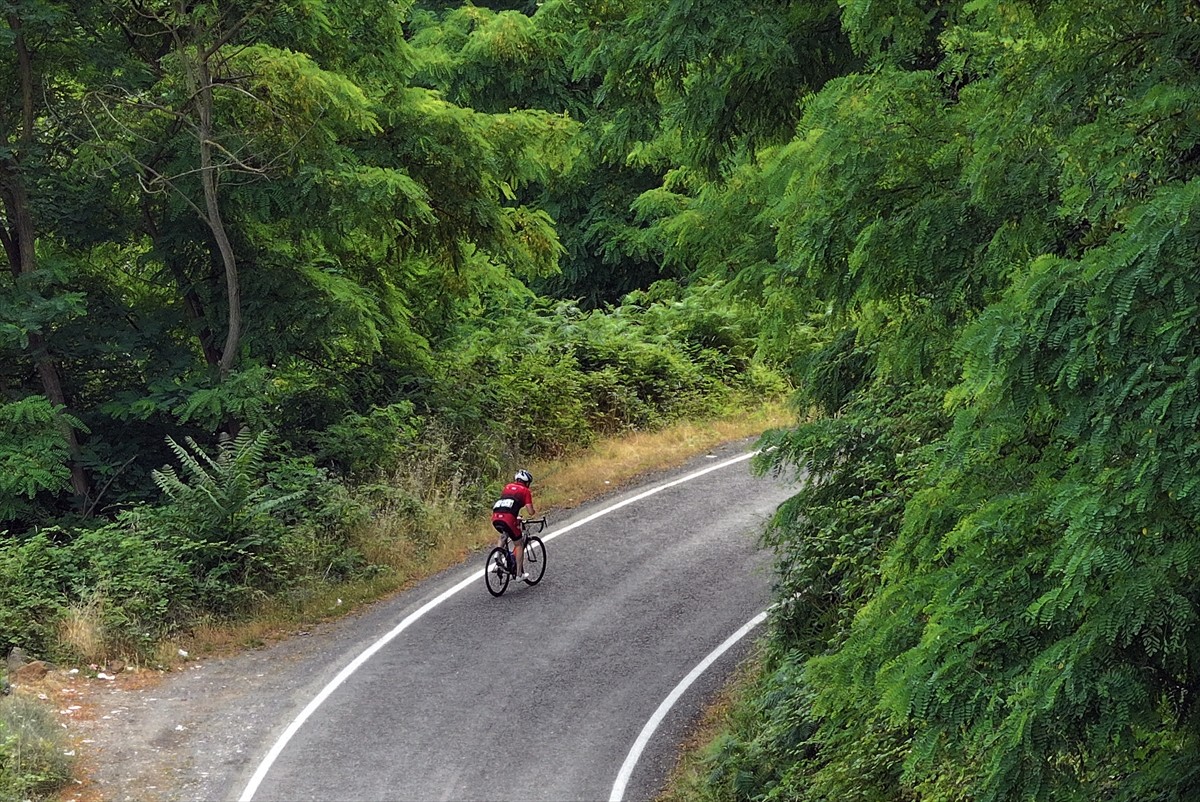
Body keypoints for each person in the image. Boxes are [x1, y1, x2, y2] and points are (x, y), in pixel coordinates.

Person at [491, 469, 537, 580]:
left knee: (504, 534)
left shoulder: (507, 487)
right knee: (519, 544)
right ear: (527, 482)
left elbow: (508, 504)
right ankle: (519, 575)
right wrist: (533, 512)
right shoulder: (525, 491)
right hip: (509, 518)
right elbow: (530, 511)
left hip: (496, 516)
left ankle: (498, 555)